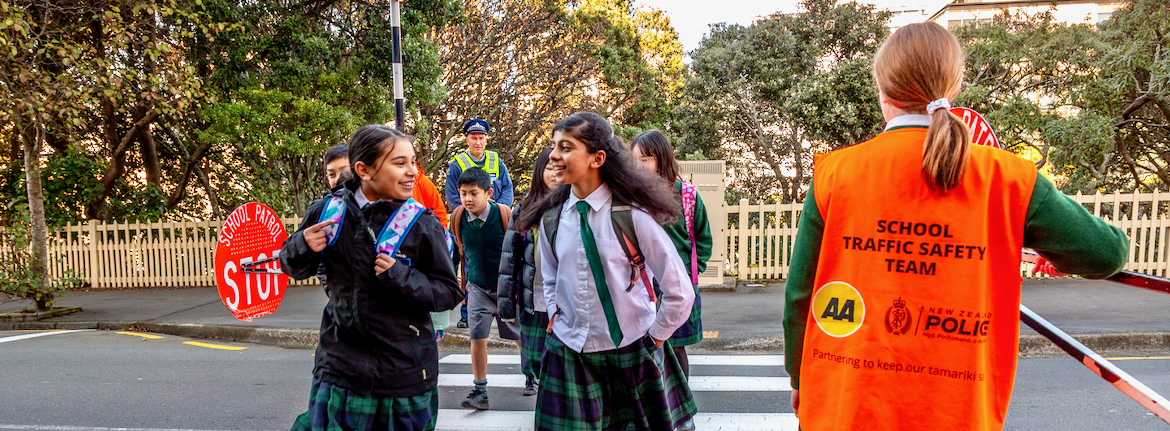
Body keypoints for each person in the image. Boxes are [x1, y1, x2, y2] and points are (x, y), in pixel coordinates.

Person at [782, 22, 1128, 430]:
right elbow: (1106, 253)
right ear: (955, 86)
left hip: (846, 408)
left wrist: (800, 378)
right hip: (956, 412)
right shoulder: (1009, 179)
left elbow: (800, 297)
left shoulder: (836, 173)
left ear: (882, 91)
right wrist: (1058, 255)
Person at [517, 112, 698, 431]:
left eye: (566, 147)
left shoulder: (632, 216)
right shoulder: (551, 219)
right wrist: (557, 317)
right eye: (554, 146)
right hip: (570, 353)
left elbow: (679, 291)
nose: (554, 156)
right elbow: (549, 279)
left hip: (633, 350)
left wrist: (654, 338)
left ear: (597, 158)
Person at [281, 125, 463, 431]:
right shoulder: (327, 212)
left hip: (403, 376)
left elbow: (448, 292)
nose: (413, 172)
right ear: (363, 170)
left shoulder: (423, 225)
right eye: (399, 163)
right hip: (339, 370)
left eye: (413, 162)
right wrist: (302, 245)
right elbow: (293, 267)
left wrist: (401, 276)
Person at [632, 130, 712, 431]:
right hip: (642, 287)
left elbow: (703, 238)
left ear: (662, 159)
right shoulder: (632, 196)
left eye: (646, 159)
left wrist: (691, 271)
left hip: (679, 288)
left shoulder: (688, 196)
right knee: (646, 350)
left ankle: (683, 414)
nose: (639, 166)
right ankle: (652, 412)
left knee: (676, 350)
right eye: (635, 160)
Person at [449, 167, 521, 410]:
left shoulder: (504, 215)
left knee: (517, 335)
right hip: (477, 287)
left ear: (489, 193)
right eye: (463, 193)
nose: (468, 199)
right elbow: (458, 252)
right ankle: (480, 390)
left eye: (474, 193)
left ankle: (531, 374)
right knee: (477, 337)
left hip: (505, 288)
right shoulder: (458, 218)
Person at [497, 147, 557, 397]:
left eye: (560, 167)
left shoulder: (574, 206)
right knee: (534, 355)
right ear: (540, 171)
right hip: (533, 298)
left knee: (559, 359)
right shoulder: (524, 209)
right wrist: (506, 305)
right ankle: (535, 382)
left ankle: (552, 398)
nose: (555, 173)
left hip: (564, 300)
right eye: (550, 167)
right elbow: (509, 258)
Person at [446, 118, 515, 329]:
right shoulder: (457, 164)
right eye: (473, 138)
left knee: (502, 265)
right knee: (469, 267)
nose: (477, 142)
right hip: (469, 222)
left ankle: (506, 314)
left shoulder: (497, 161)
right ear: (466, 140)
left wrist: (496, 211)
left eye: (481, 138)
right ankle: (467, 314)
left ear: (486, 139)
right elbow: (453, 195)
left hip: (495, 222)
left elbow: (507, 189)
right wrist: (470, 211)